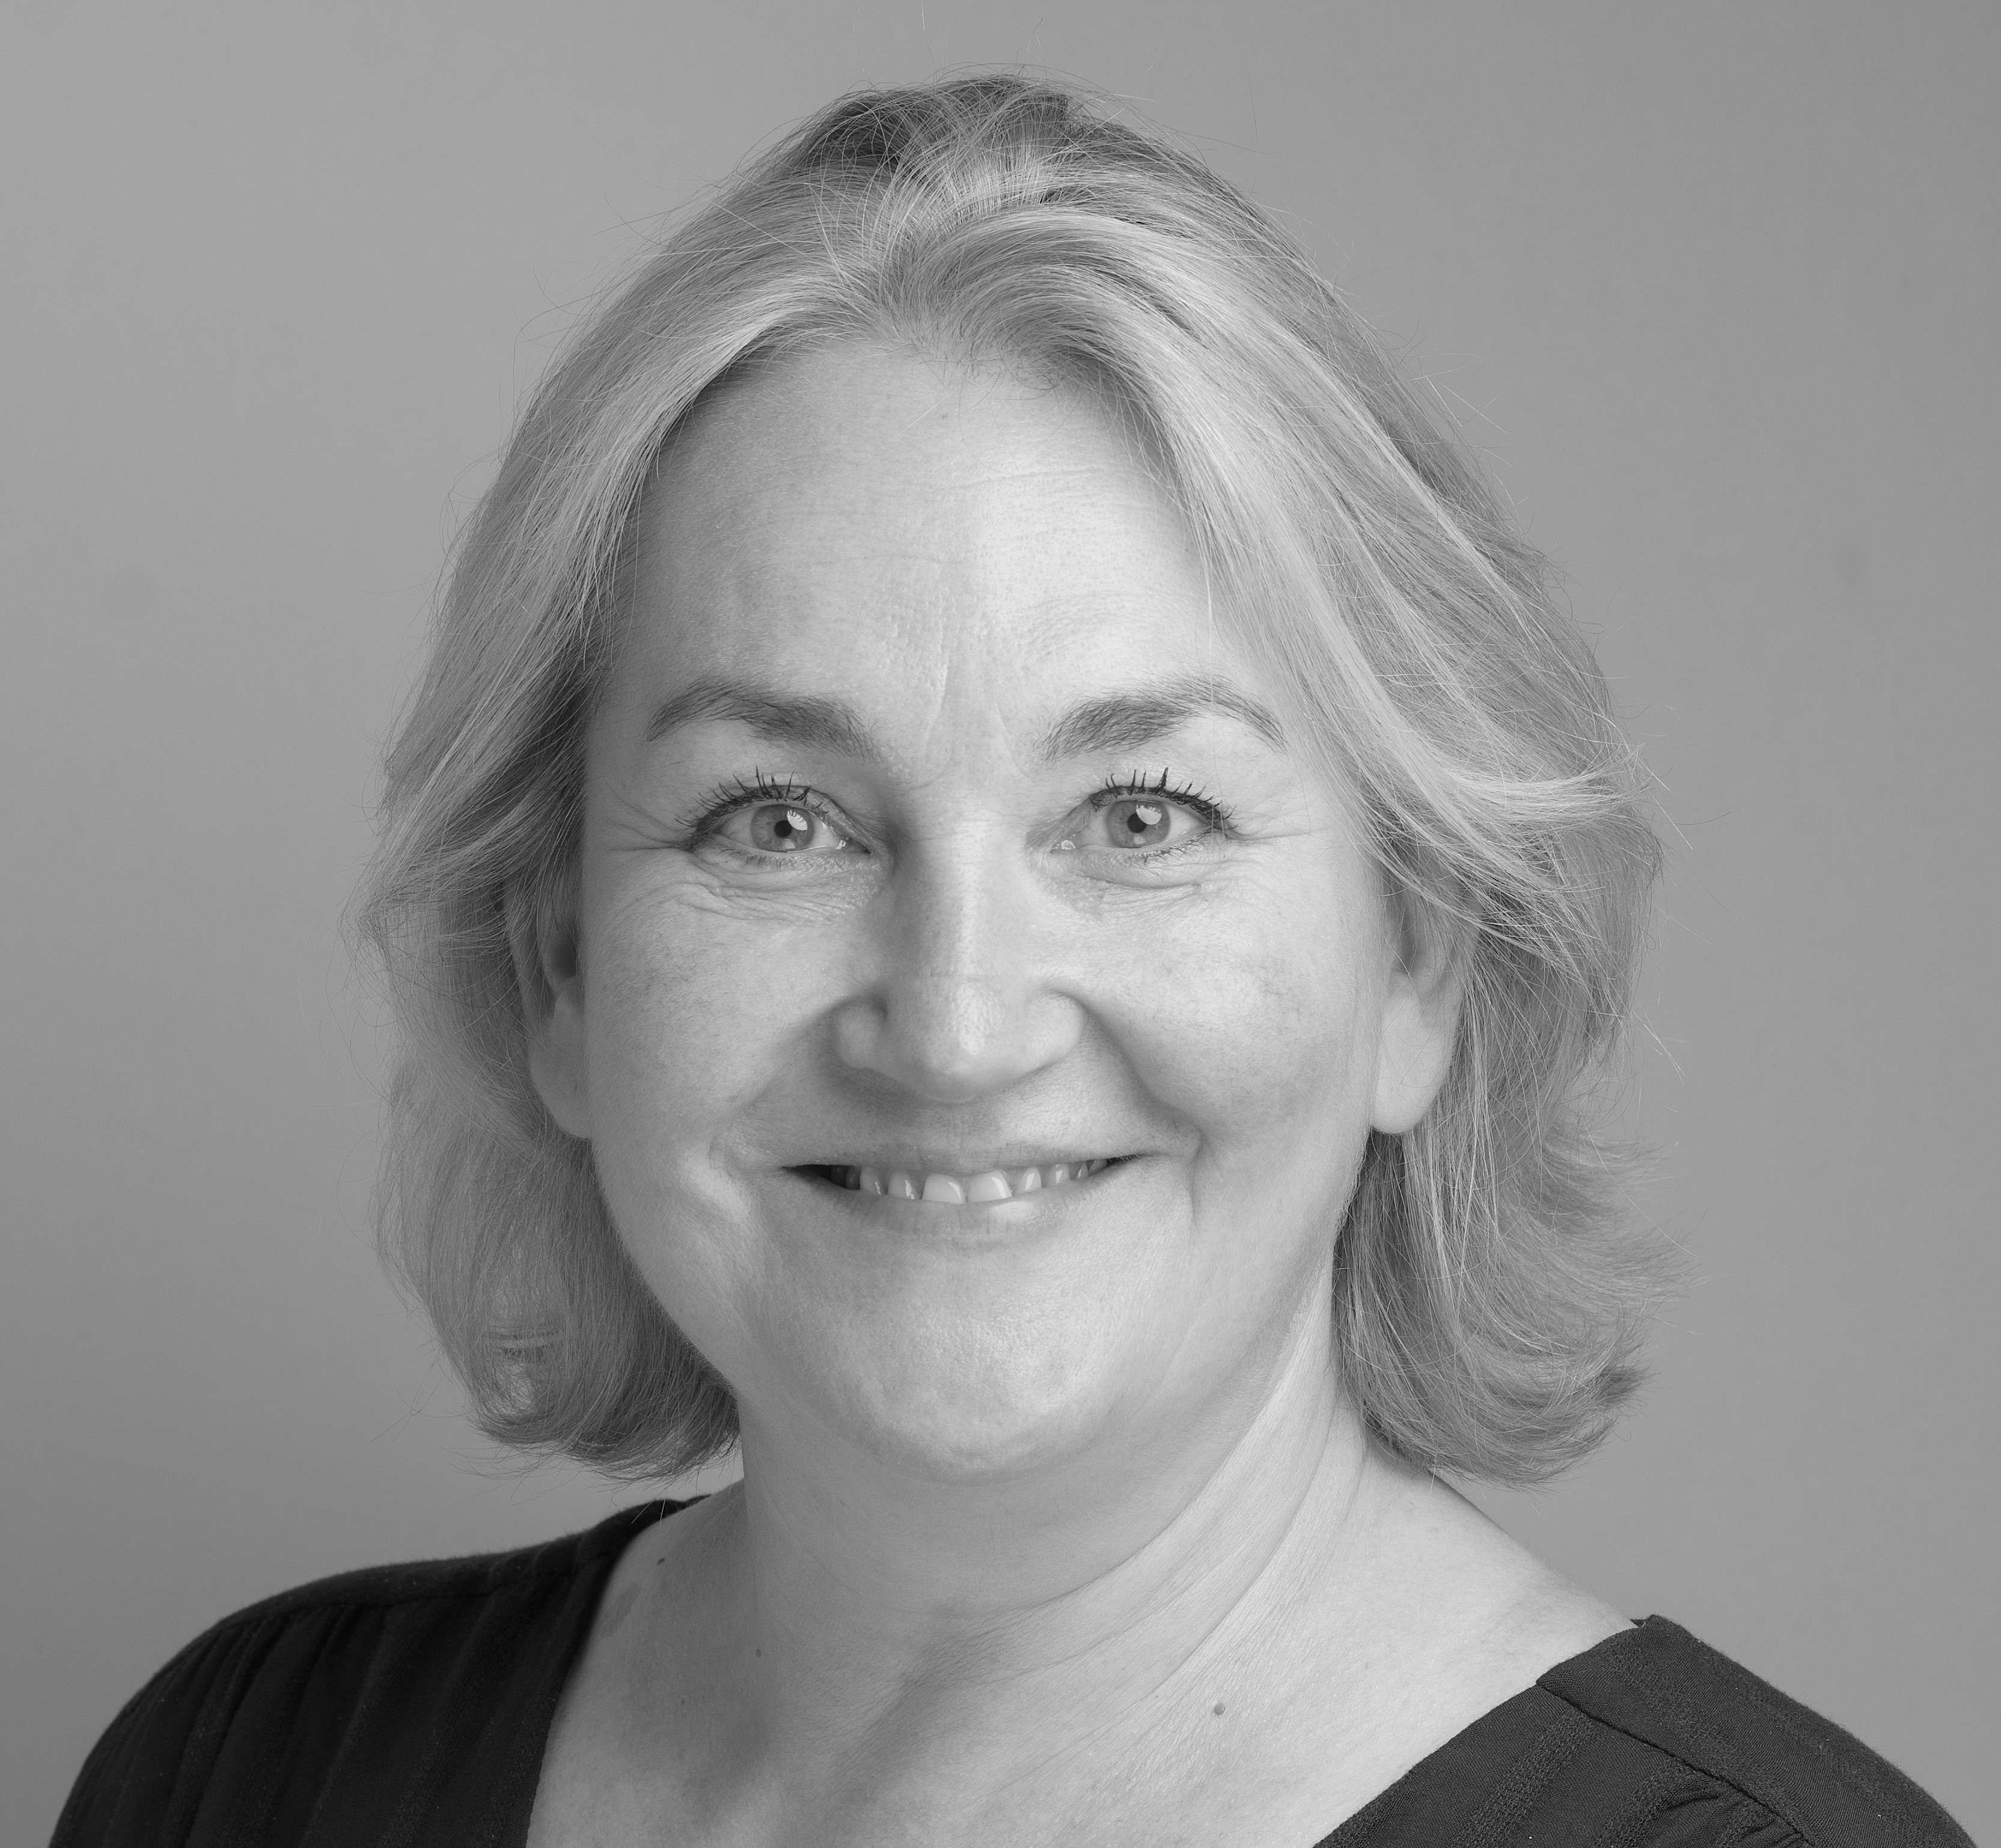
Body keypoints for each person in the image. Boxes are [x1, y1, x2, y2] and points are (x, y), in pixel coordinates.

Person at [54, 75, 1970, 1848]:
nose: (957, 1028)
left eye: (1139, 813)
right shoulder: (242, 1775)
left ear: (1419, 962)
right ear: (557, 969)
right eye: (778, 820)